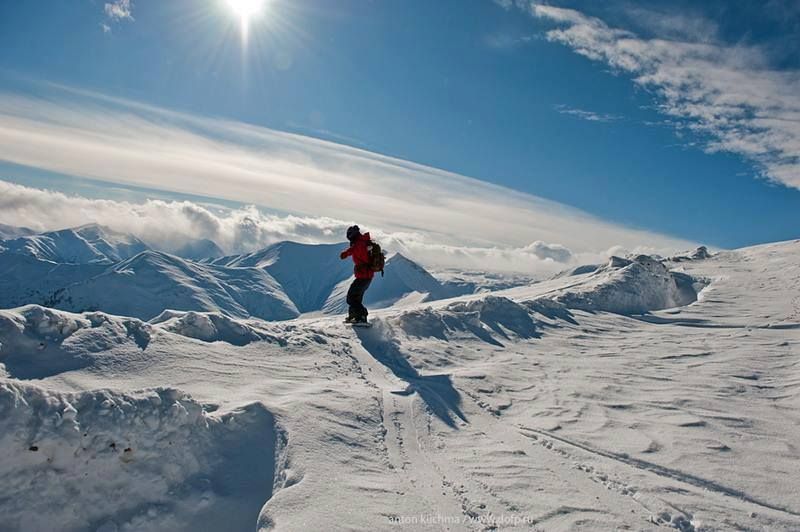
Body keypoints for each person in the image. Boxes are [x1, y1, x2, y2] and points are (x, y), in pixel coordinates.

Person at [339, 225, 374, 323]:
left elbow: (355, 249)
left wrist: (345, 253)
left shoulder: (359, 243)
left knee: (351, 298)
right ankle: (354, 316)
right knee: (356, 297)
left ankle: (362, 316)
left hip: (364, 275)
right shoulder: (361, 242)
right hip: (365, 275)